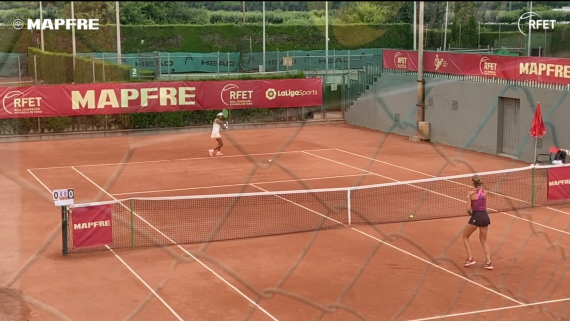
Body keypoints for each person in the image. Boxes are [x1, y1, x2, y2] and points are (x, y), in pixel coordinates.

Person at [463, 175, 493, 270]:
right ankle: (488, 262)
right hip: (485, 217)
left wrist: (471, 214)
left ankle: (470, 258)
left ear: (473, 182)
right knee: (483, 240)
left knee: (465, 236)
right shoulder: (485, 192)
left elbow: (468, 209)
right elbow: (484, 206)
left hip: (476, 217)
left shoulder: (470, 194)